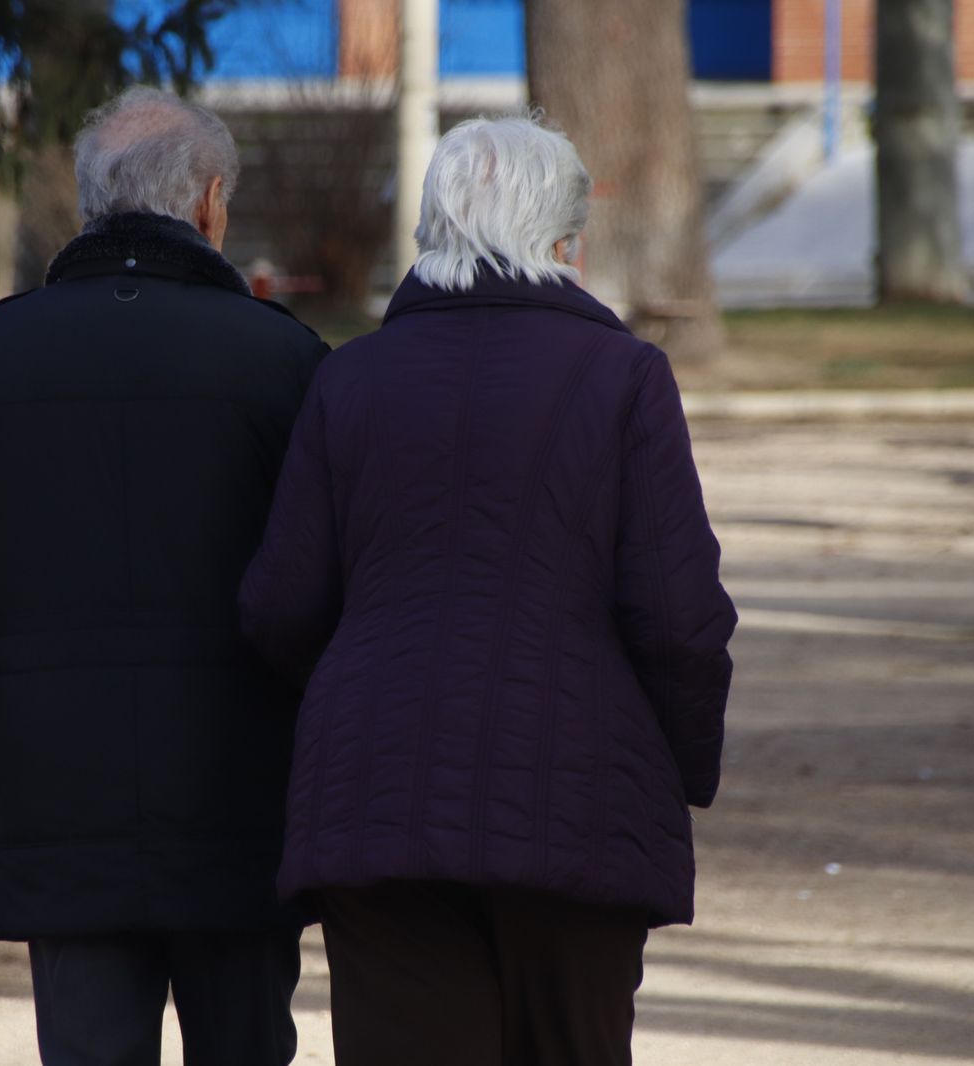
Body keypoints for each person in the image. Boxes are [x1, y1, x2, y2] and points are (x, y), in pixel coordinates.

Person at [239, 115, 737, 1066]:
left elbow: (281, 604)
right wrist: (680, 767)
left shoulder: (351, 379)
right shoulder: (625, 377)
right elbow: (679, 617)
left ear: (430, 232)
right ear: (567, 245)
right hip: (578, 795)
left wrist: (363, 695)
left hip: (378, 797)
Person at [0, 86, 328, 1066]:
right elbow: (333, 580)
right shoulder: (283, 361)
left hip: (59, 793)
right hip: (239, 793)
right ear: (208, 203)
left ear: (87, 205)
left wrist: (7, 730)